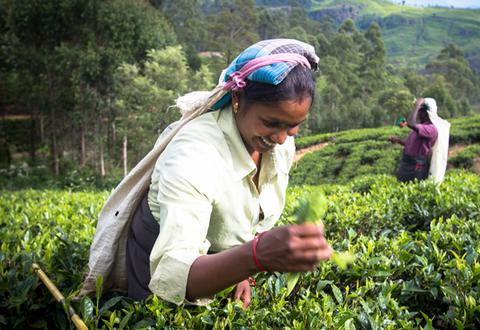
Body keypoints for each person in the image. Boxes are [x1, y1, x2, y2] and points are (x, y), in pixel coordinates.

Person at [80, 39, 333, 308]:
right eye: (271, 123)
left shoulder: (276, 143)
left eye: (293, 126)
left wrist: (242, 271)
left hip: (220, 263)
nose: (282, 139)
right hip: (156, 270)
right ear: (237, 99)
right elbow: (172, 273)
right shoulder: (193, 154)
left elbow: (247, 221)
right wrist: (255, 257)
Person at [389, 98, 450, 183]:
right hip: (406, 163)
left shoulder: (431, 129)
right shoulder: (422, 127)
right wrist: (398, 141)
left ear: (426, 113)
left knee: (412, 188)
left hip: (416, 166)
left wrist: (417, 106)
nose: (418, 114)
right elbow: (412, 144)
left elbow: (410, 123)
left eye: (420, 112)